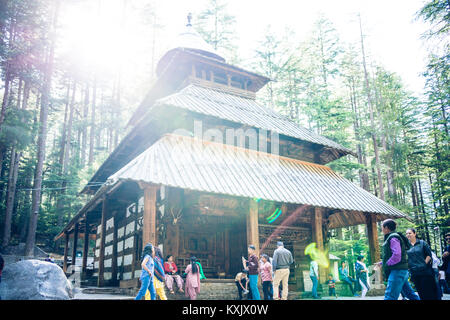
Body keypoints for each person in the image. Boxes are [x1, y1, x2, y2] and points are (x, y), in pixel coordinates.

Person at [377, 219, 416, 300]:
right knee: (410, 294)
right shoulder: (393, 237)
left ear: (386, 228)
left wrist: (387, 264)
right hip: (401, 270)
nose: (382, 230)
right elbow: (393, 255)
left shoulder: (393, 238)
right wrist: (382, 263)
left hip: (397, 270)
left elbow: (397, 255)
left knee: (390, 296)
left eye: (382, 227)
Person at [405, 228, 439, 300]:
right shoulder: (406, 246)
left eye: (410, 233)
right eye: (407, 233)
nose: (408, 235)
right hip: (414, 273)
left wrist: (424, 264)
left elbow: (428, 255)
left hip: (425, 272)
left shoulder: (422, 243)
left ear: (414, 234)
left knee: (429, 292)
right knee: (420, 292)